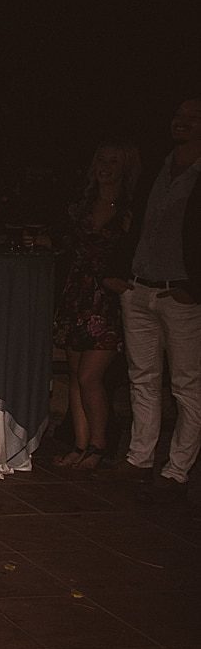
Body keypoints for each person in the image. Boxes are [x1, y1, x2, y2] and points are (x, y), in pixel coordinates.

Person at [105, 95, 201, 492]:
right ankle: (139, 457)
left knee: (186, 385)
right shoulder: (158, 168)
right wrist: (118, 273)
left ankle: (177, 467)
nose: (182, 122)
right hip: (140, 288)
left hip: (180, 294)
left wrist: (193, 289)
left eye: (193, 118)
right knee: (142, 378)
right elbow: (135, 223)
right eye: (179, 115)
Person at [52, 142, 140, 469]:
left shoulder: (130, 208)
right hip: (77, 292)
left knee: (91, 376)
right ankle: (80, 444)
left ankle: (99, 447)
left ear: (125, 167)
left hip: (107, 297)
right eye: (101, 160)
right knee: (76, 374)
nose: (106, 167)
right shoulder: (83, 204)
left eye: (113, 162)